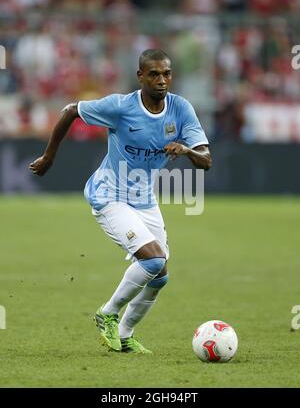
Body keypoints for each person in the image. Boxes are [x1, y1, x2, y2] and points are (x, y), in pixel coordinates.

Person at [29, 49, 212, 354]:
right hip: (109, 195)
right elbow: (70, 110)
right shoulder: (120, 107)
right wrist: (49, 156)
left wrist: (187, 150)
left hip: (144, 199)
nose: (161, 80)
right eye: (154, 74)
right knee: (152, 260)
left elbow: (205, 161)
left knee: (160, 276)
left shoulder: (181, 110)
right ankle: (108, 314)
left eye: (166, 74)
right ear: (140, 76)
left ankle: (125, 334)